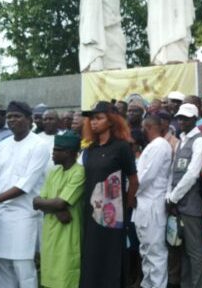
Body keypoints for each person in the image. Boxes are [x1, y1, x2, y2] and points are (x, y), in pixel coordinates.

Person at [0, 101, 51, 288]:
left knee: (23, 268)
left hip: (25, 214)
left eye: (17, 116)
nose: (12, 120)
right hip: (1, 215)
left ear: (29, 119)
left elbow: (25, 185)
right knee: (1, 266)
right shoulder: (1, 146)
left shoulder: (39, 145)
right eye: (9, 117)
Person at [80, 101, 138, 287]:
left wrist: (126, 207)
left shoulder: (121, 147)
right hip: (91, 213)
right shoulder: (90, 149)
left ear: (111, 121)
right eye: (92, 119)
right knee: (92, 256)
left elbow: (134, 180)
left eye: (99, 118)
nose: (93, 122)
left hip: (113, 217)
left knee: (111, 258)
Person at [34, 132, 85, 288]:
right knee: (49, 274)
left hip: (68, 232)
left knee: (66, 275)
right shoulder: (54, 172)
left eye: (56, 150)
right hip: (50, 230)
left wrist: (53, 205)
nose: (52, 153)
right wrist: (56, 208)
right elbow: (36, 201)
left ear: (68, 153)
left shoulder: (79, 172)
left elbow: (60, 203)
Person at [166, 103, 202, 288]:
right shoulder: (181, 139)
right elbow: (172, 171)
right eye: (179, 118)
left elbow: (192, 174)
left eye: (185, 118)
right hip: (176, 202)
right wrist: (170, 196)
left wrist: (173, 197)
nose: (181, 121)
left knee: (195, 251)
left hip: (191, 203)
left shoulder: (200, 140)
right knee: (181, 249)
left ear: (194, 119)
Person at [133, 115, 173, 288]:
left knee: (155, 253)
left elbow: (146, 177)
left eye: (143, 128)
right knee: (146, 251)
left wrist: (130, 192)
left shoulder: (160, 146)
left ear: (148, 127)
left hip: (152, 206)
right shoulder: (152, 146)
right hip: (143, 206)